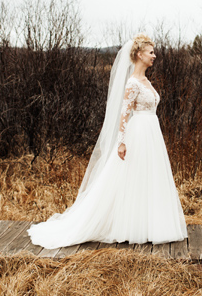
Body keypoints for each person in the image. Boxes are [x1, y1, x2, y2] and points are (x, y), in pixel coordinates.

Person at [27, 33, 186, 249]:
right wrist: (121, 142)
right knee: (133, 176)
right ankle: (130, 225)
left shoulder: (146, 81)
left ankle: (149, 223)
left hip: (151, 132)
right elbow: (124, 113)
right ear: (139, 55)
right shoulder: (132, 83)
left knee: (150, 175)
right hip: (138, 132)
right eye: (151, 52)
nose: (154, 56)